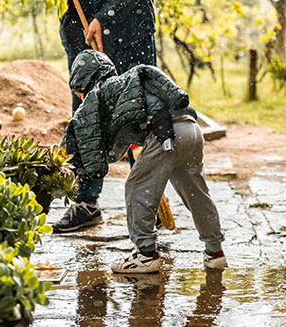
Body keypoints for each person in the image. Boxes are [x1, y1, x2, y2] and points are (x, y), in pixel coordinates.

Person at [39, 0, 157, 232]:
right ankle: (87, 203)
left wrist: (102, 19)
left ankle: (148, 201)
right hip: (83, 36)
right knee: (87, 116)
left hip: (127, 34)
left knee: (136, 113)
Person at [58, 50, 226, 274]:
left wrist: (76, 163)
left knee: (137, 187)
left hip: (165, 135)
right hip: (191, 128)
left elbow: (84, 132)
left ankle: (145, 254)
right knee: (195, 193)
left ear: (84, 82)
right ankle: (215, 251)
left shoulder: (96, 95)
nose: (80, 97)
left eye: (79, 92)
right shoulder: (127, 85)